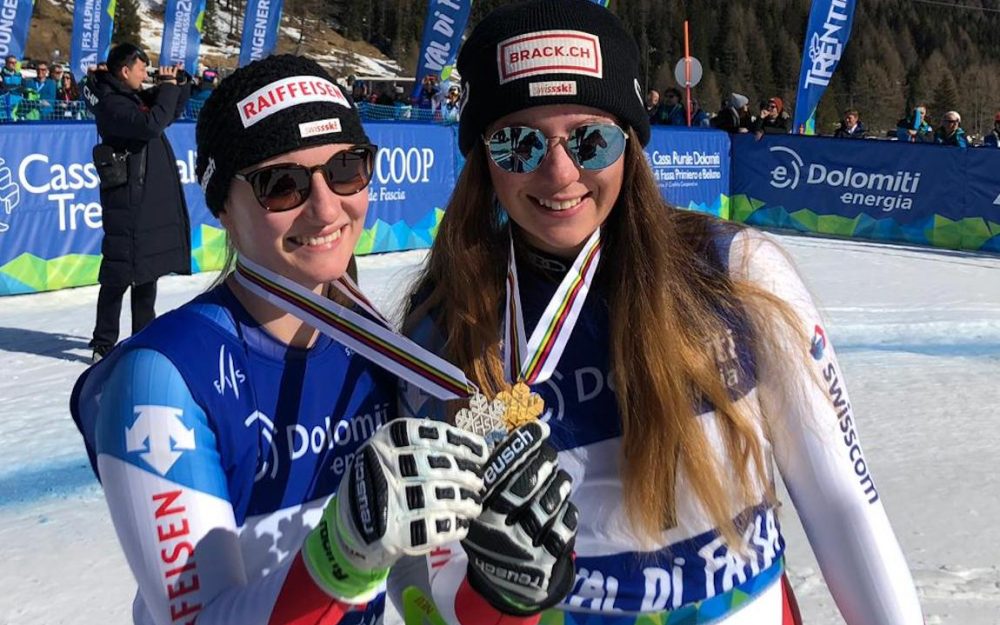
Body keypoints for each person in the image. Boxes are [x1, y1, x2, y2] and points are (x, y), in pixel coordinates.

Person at [390, 1, 926, 624]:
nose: (559, 171)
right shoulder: (446, 326)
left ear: (632, 145)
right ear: (483, 157)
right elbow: (421, 577)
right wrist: (492, 590)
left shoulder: (734, 272)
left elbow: (843, 504)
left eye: (593, 139)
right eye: (517, 142)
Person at [69, 54, 501, 625]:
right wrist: (343, 552)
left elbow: (408, 575)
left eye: (346, 168)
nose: (326, 208)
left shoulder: (375, 346)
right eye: (282, 185)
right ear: (222, 203)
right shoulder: (162, 381)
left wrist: (500, 579)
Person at [82, 43, 193, 362]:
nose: (147, 74)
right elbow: (151, 125)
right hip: (126, 201)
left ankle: (144, 337)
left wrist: (179, 85)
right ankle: (104, 343)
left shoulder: (131, 98)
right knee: (118, 275)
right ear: (125, 71)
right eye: (142, 69)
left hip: (145, 198)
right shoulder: (112, 104)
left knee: (147, 271)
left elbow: (167, 113)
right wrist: (167, 88)